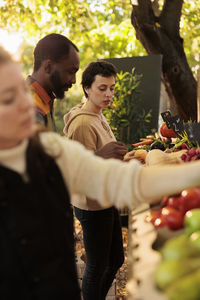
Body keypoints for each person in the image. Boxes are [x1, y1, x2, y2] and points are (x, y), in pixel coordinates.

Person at [2, 46, 200, 299]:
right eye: (7, 99)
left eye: (20, 92)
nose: (23, 106)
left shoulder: (48, 149)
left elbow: (123, 181)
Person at [63, 61, 126, 300]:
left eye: (111, 88)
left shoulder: (96, 114)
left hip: (105, 197)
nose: (108, 94)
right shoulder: (83, 123)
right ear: (87, 88)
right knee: (96, 267)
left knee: (115, 260)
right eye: (102, 88)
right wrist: (104, 156)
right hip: (92, 204)